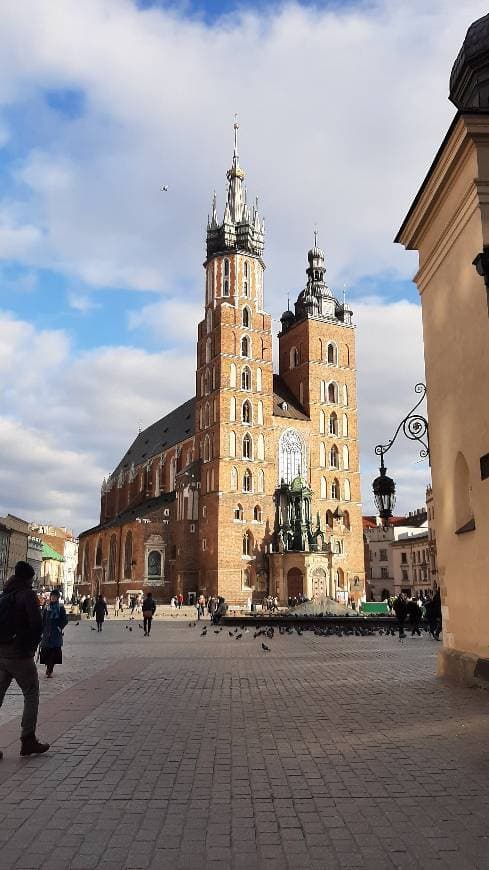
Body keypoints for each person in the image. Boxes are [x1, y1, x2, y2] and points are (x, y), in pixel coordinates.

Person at [0, 561, 49, 757]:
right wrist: (30, 647)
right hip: (19, 654)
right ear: (29, 578)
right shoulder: (27, 594)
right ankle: (28, 740)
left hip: (1, 653)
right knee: (31, 693)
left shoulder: (4, 595)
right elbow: (37, 624)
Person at [40, 589, 68, 677]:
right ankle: (48, 667)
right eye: (52, 597)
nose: (53, 598)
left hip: (56, 633)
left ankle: (50, 669)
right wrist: (41, 630)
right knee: (46, 651)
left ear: (57, 598)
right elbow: (43, 620)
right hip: (46, 633)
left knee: (54, 652)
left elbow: (65, 620)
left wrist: (60, 627)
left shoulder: (60, 608)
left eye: (55, 597)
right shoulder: (47, 607)